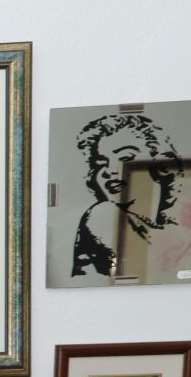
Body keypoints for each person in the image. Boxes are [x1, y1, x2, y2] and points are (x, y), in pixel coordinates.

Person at [70, 111, 185, 280]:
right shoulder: (100, 215)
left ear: (162, 166)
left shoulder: (183, 229)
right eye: (100, 164)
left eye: (125, 157)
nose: (109, 171)